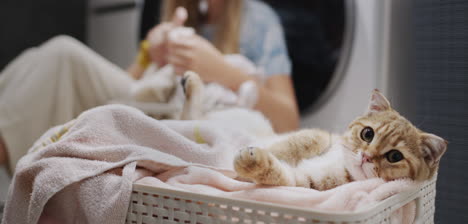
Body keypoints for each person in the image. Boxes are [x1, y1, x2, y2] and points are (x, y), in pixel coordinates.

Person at [0, 0, 299, 172]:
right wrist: (148, 53)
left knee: (61, 54)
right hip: (151, 105)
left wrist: (222, 70)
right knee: (43, 59)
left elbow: (289, 120)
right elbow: (133, 88)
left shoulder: (258, 20)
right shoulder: (182, 10)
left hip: (184, 117)